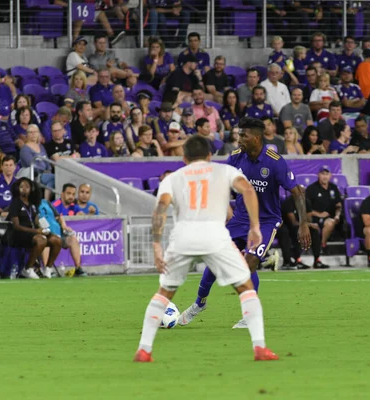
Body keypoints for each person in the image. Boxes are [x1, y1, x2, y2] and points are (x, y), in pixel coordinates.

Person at [134, 135, 278, 362]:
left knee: (164, 293)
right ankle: (259, 348)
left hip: (182, 238)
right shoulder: (223, 171)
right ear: (210, 156)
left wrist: (156, 245)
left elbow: (160, 209)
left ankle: (144, 350)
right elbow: (249, 191)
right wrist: (255, 228)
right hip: (215, 237)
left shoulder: (173, 178)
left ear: (184, 157)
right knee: (246, 287)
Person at [177, 118, 311, 329]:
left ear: (256, 138)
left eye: (243, 136)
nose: (239, 139)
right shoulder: (237, 158)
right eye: (239, 135)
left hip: (266, 221)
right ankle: (199, 304)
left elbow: (296, 191)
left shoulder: (274, 161)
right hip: (241, 219)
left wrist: (303, 224)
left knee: (249, 263)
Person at [7, 178, 62, 279]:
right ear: (18, 189)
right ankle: (27, 268)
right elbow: (16, 226)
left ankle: (48, 268)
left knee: (56, 240)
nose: (24, 189)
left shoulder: (33, 204)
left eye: (27, 187)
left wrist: (44, 229)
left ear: (31, 189)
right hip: (20, 235)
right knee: (41, 240)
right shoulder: (15, 203)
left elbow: (36, 219)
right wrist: (36, 231)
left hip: (34, 233)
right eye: (22, 187)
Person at [37, 198, 87, 277]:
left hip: (58, 233)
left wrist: (64, 225)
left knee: (73, 239)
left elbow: (58, 216)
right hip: (45, 233)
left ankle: (78, 268)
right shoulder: (30, 205)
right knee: (46, 241)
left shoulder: (46, 202)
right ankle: (47, 269)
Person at [305, 165, 341, 261]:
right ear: (318, 175)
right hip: (315, 217)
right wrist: (319, 214)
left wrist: (337, 215)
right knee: (328, 222)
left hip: (331, 217)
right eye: (322, 174)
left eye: (327, 174)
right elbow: (305, 208)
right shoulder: (311, 189)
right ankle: (321, 245)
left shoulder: (333, 188)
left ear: (330, 175)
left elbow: (338, 205)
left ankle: (322, 244)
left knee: (331, 222)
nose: (325, 176)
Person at [277, 195, 320, 270]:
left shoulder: (306, 202)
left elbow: (309, 219)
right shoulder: (288, 202)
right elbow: (293, 222)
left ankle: (317, 260)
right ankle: (291, 260)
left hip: (300, 225)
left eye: (303, 192)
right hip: (288, 226)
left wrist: (308, 224)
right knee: (293, 231)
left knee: (314, 230)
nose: (302, 193)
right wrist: (307, 224)